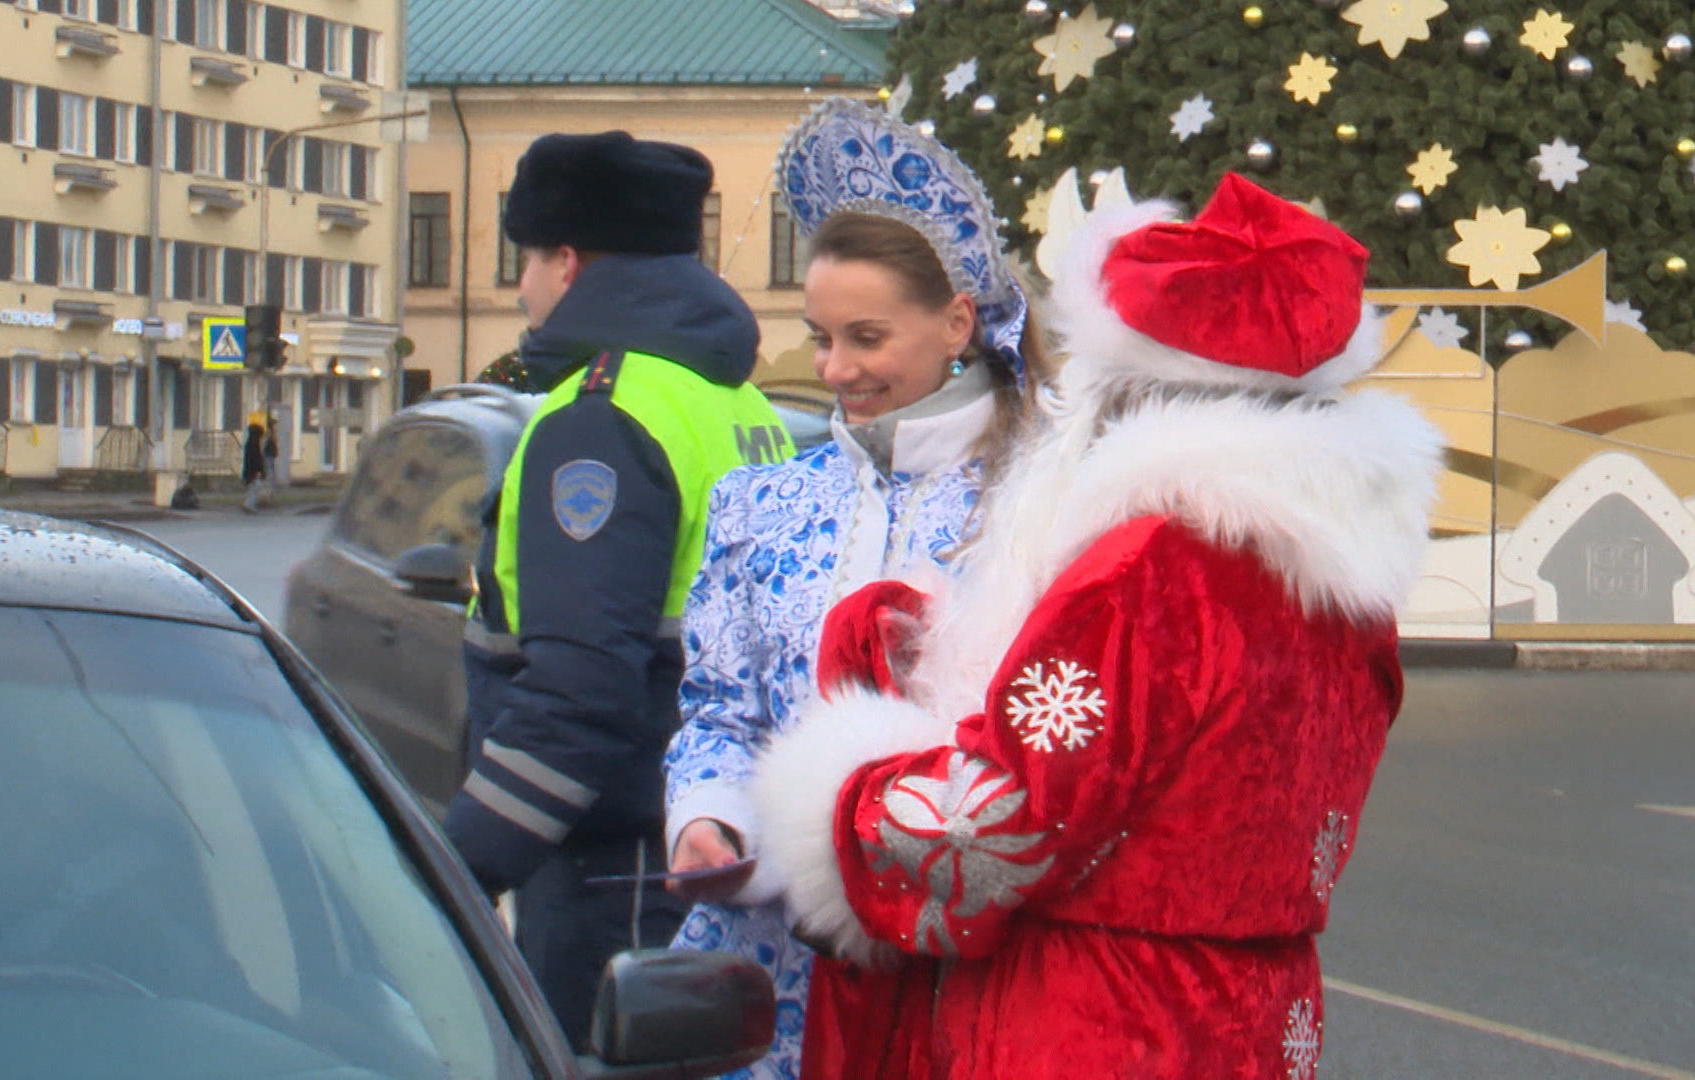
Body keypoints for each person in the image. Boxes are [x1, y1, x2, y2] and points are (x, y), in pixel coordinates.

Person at [748, 173, 1444, 1078]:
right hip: (1258, 1016)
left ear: (1129, 392)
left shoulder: (1149, 569)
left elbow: (1001, 825)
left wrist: (838, 794)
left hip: (1098, 1021)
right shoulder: (1345, 590)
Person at [661, 98, 1044, 1080]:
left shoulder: (1043, 504)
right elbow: (717, 712)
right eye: (820, 337)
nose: (836, 369)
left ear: (957, 320)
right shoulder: (759, 505)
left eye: (866, 337)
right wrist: (709, 819)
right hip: (769, 972)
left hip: (958, 970)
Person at [443, 129, 793, 1050]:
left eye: (525, 259)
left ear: (567, 260)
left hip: (611, 878)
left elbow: (583, 691)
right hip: (711, 850)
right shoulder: (737, 403)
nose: (520, 289)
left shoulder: (601, 419)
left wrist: (456, 868)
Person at [240, 412, 268, 513]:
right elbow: (257, 458)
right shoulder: (254, 444)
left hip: (248, 470)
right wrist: (261, 470)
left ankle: (248, 504)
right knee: (254, 488)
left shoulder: (249, 442)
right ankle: (249, 505)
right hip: (253, 470)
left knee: (253, 488)